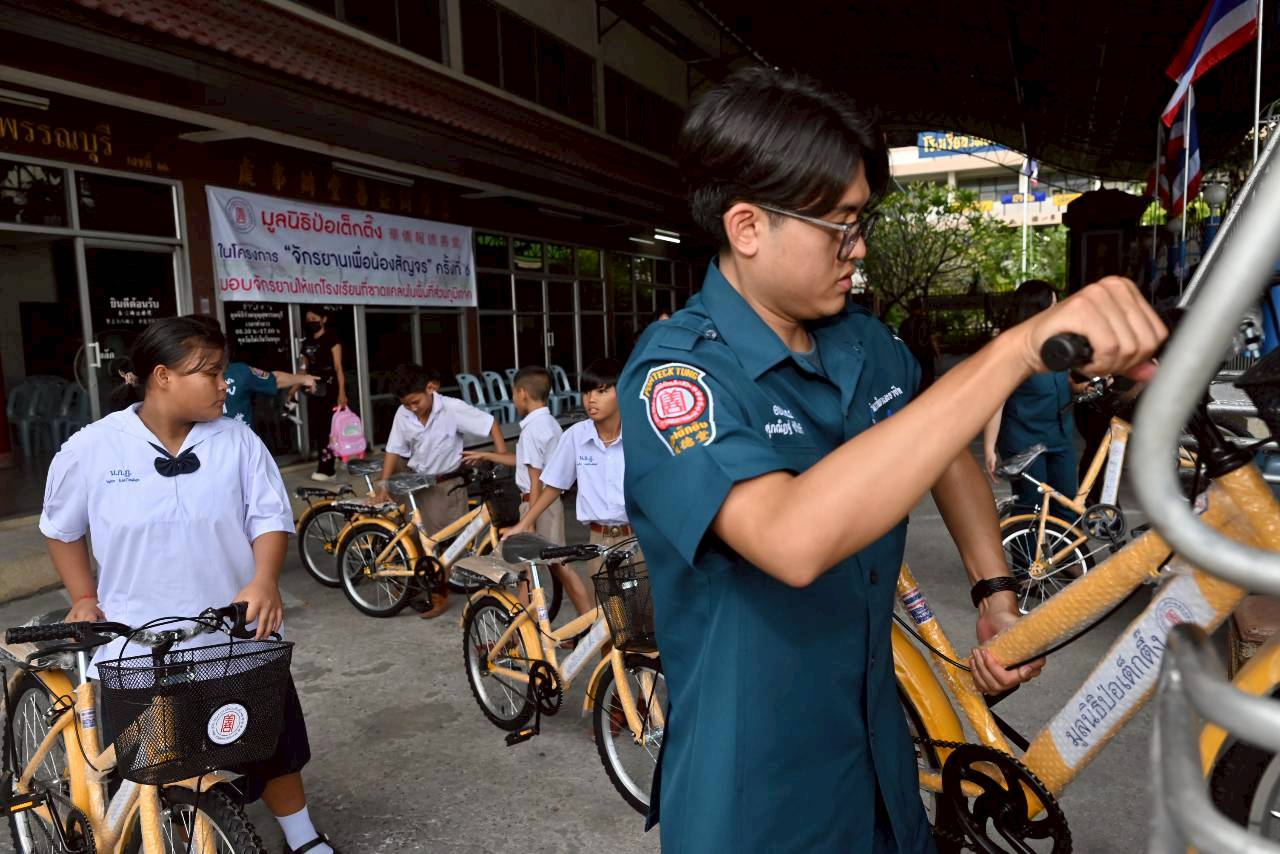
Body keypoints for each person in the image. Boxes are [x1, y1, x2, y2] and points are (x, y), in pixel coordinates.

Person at [618, 67, 1164, 853]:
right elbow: (789, 537)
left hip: (880, 754)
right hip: (759, 794)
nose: (860, 248)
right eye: (840, 227)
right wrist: (1013, 352)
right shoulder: (678, 378)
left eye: (862, 220)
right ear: (747, 227)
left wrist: (994, 590)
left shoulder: (864, 343)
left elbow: (944, 454)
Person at [40, 315, 340, 854]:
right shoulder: (93, 449)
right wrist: (84, 597)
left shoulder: (238, 441)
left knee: (270, 740)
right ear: (163, 376)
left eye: (224, 371)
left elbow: (269, 517)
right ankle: (186, 836)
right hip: (138, 644)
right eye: (211, 373)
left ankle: (302, 837)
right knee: (161, 763)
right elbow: (62, 529)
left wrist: (265, 579)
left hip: (233, 630)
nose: (225, 384)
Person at [372, 363, 508, 618]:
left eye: (416, 402)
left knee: (447, 539)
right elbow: (393, 449)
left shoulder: (452, 408)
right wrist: (383, 484)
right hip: (414, 478)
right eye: (407, 404)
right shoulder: (403, 413)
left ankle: (438, 590)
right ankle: (413, 584)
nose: (413, 408)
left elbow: (490, 423)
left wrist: (500, 456)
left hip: (444, 482)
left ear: (430, 388)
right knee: (412, 534)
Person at [464, 366, 592, 616]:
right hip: (546, 504)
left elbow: (535, 480)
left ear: (522, 393)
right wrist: (488, 455)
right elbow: (525, 462)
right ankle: (530, 625)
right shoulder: (548, 423)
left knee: (551, 566)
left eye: (513, 393)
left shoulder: (533, 430)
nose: (513, 399)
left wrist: (528, 523)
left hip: (536, 504)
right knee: (542, 567)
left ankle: (575, 622)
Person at [505, 359, 634, 589]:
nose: (591, 399)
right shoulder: (576, 436)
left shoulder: (639, 434)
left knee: (640, 607)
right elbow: (554, 486)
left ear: (622, 392)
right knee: (608, 607)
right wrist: (525, 523)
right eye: (586, 392)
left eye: (601, 391)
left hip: (638, 538)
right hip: (599, 540)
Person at [983, 280, 1088, 511]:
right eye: (1053, 305)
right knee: (1032, 507)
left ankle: (1063, 537)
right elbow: (996, 400)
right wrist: (989, 447)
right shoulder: (1011, 348)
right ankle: (1025, 537)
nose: (1058, 310)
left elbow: (1063, 379)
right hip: (1025, 440)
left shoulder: (1059, 341)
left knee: (1066, 505)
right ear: (1035, 309)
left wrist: (1080, 388)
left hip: (1060, 436)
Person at [294, 306, 347, 482]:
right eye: (308, 319)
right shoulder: (307, 342)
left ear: (323, 319)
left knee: (328, 429)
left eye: (314, 318)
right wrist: (292, 390)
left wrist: (342, 393)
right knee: (318, 429)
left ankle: (327, 469)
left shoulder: (332, 339)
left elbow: (338, 367)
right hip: (314, 391)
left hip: (330, 390)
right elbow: (303, 369)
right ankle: (328, 462)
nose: (311, 322)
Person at [223, 360, 317, 429]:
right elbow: (275, 379)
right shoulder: (239, 371)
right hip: (240, 443)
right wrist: (304, 379)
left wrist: (303, 379)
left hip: (241, 442)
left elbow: (273, 379)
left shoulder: (239, 371)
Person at [899, 297, 942, 388]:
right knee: (927, 380)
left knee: (914, 381)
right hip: (926, 356)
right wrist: (938, 354)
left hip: (911, 355)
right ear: (921, 307)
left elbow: (901, 342)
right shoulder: (927, 321)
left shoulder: (905, 323)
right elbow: (933, 339)